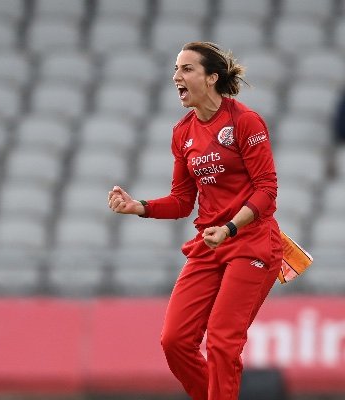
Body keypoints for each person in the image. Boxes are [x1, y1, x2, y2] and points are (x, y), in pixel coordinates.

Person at [108, 42, 283, 400]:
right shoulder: (182, 132)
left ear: (212, 77)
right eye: (176, 69)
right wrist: (138, 206)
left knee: (221, 341)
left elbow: (267, 189)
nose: (177, 77)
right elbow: (181, 202)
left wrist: (232, 226)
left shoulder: (244, 121)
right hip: (209, 244)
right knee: (174, 340)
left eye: (187, 69)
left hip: (251, 241)